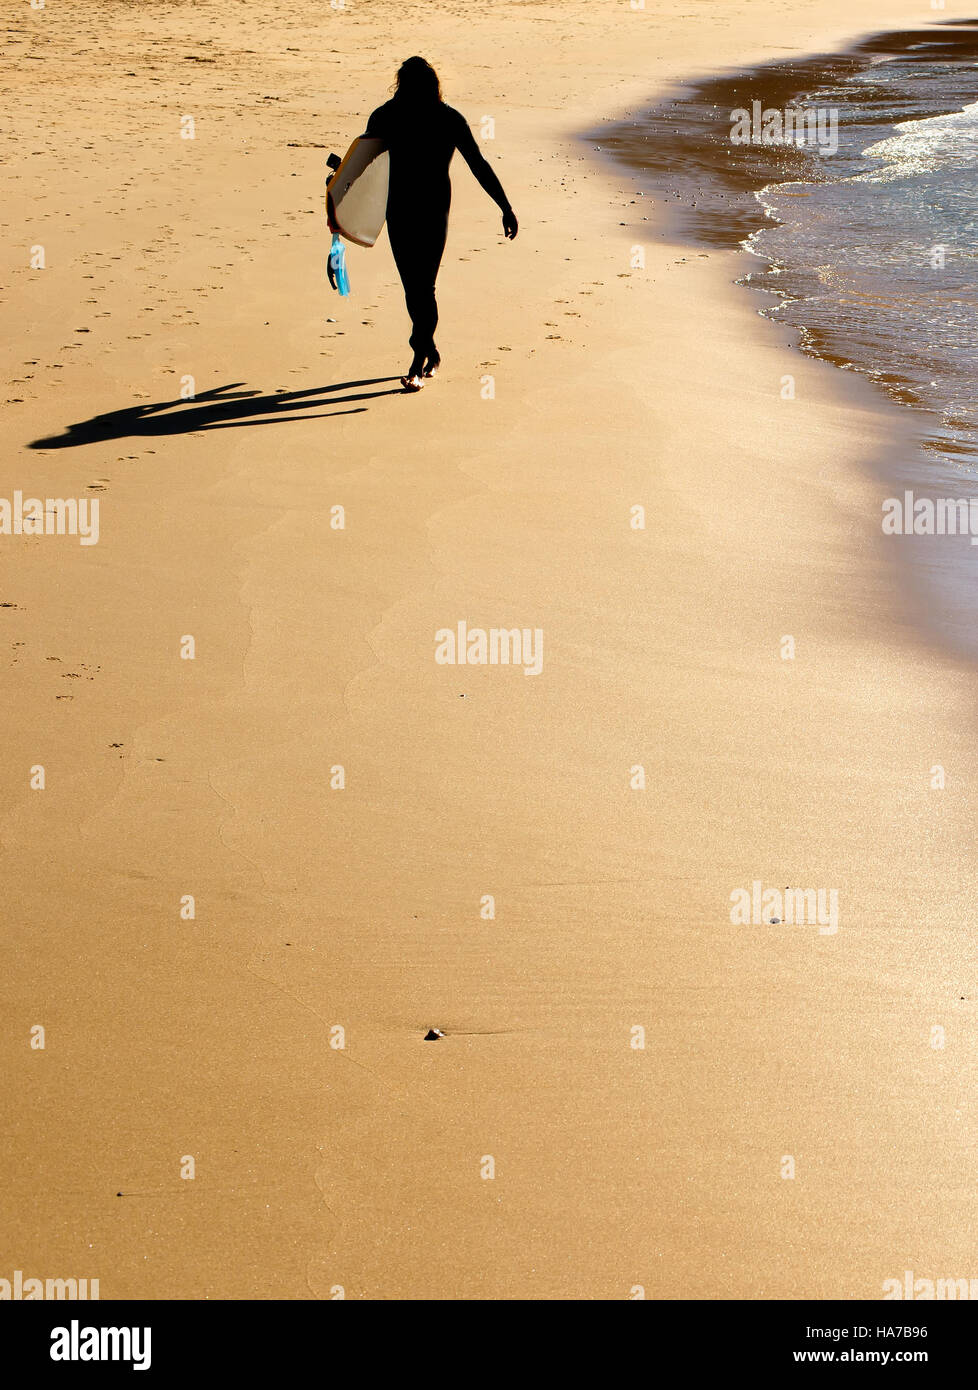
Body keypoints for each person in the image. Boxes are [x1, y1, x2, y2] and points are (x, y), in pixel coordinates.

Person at [364, 57, 518, 392]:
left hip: (420, 212)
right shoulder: (410, 117)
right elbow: (362, 163)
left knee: (421, 288)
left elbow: (477, 162)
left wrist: (504, 205)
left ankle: (418, 362)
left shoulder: (406, 117)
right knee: (417, 289)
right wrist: (504, 207)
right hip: (411, 211)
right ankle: (429, 350)